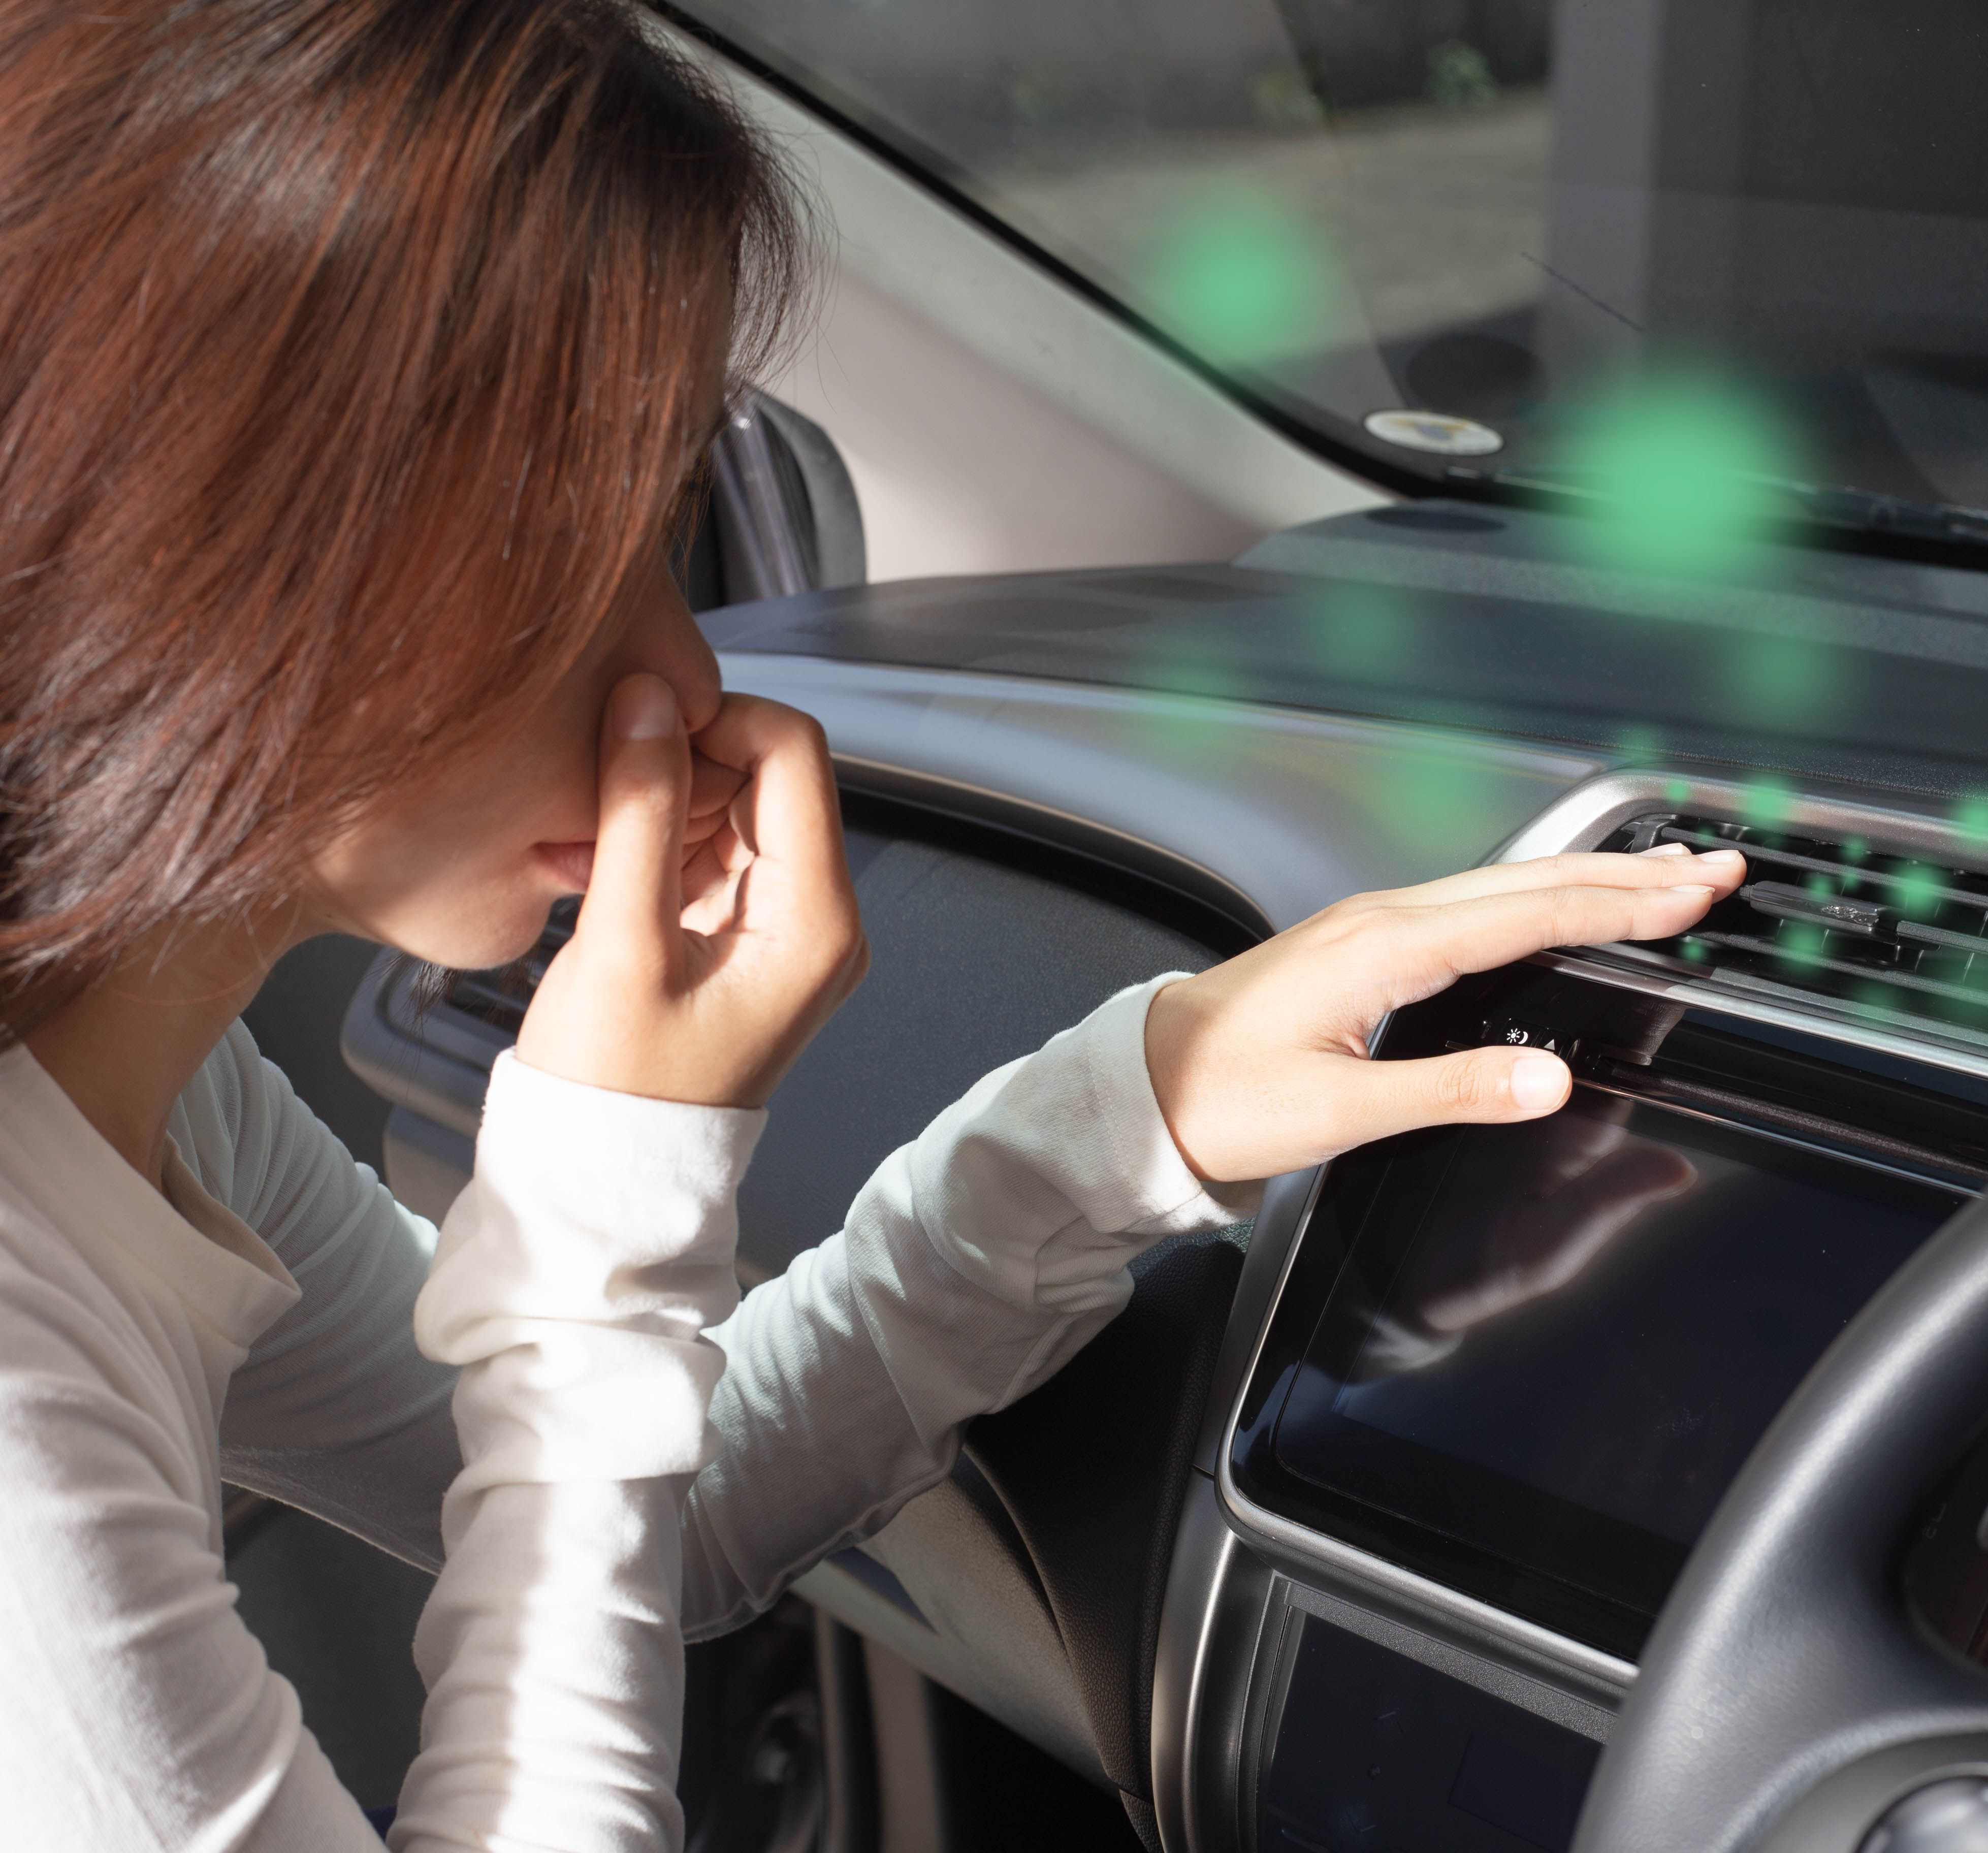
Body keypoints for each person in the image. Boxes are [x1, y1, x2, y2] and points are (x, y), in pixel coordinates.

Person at [0, 2, 1746, 1847]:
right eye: (570, 573)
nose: (681, 670)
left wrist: (1128, 1109)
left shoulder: (143, 1091)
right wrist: (601, 1209)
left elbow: (637, 1522)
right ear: (217, 552)